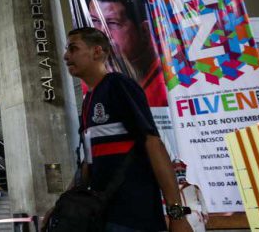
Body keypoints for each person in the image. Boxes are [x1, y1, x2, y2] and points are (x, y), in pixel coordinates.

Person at [61, 27, 191, 232]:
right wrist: (62, 206)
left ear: (97, 51)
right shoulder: (88, 102)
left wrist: (177, 214)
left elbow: (153, 143)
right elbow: (88, 163)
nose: (66, 56)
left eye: (73, 48)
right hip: (102, 216)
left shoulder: (119, 85)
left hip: (135, 218)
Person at [82, 0, 167, 107]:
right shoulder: (87, 82)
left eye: (113, 23)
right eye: (94, 21)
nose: (101, 33)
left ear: (144, 31)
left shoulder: (169, 83)